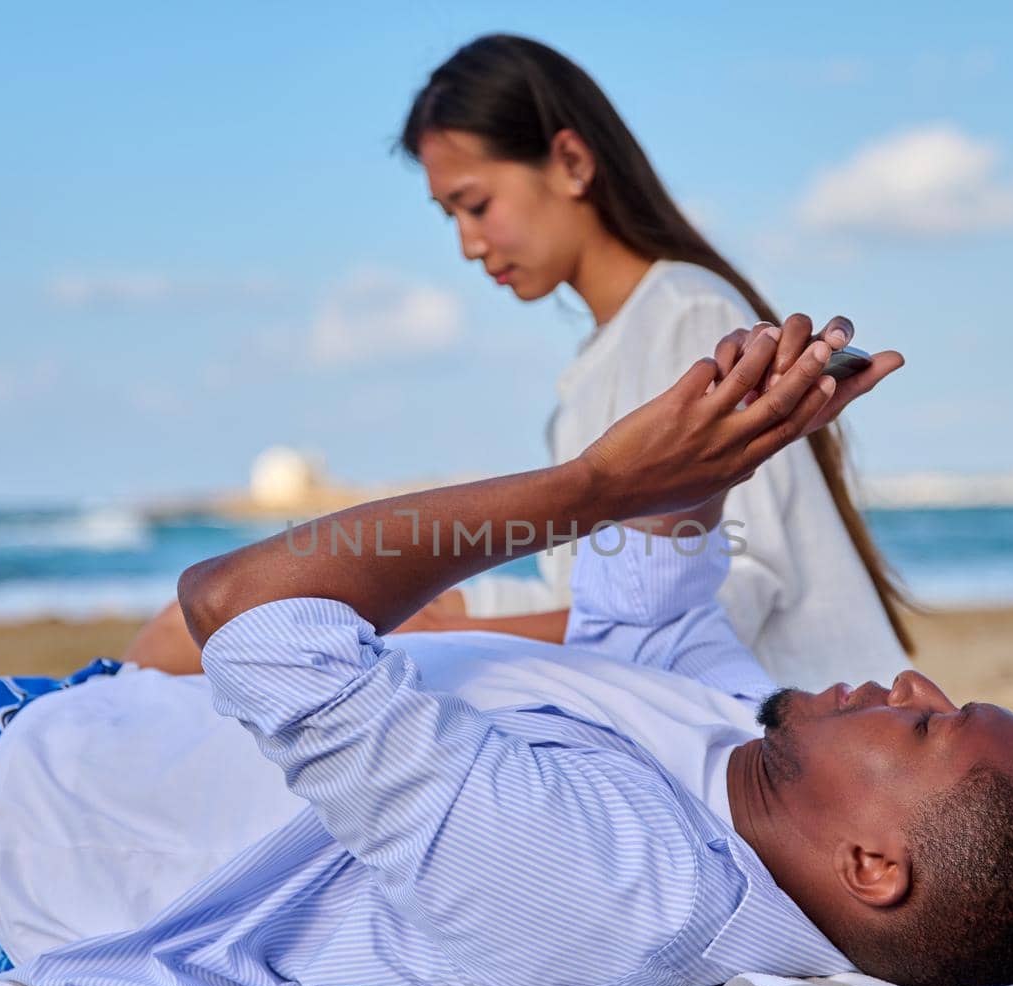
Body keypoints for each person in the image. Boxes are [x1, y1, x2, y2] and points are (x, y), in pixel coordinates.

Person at [0, 322, 1013, 986]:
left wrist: (583, 483)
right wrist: (718, 452)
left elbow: (244, 609)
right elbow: (646, 604)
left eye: (937, 732)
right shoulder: (753, 769)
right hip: (66, 724)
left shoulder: (624, 894)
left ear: (877, 866)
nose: (919, 686)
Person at [391, 34, 913, 692]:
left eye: (476, 205)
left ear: (572, 161)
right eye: (449, 218)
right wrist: (450, 613)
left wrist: (457, 634)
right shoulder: (592, 375)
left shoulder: (690, 318)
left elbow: (722, 598)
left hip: (821, 748)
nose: (468, 244)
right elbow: (605, 593)